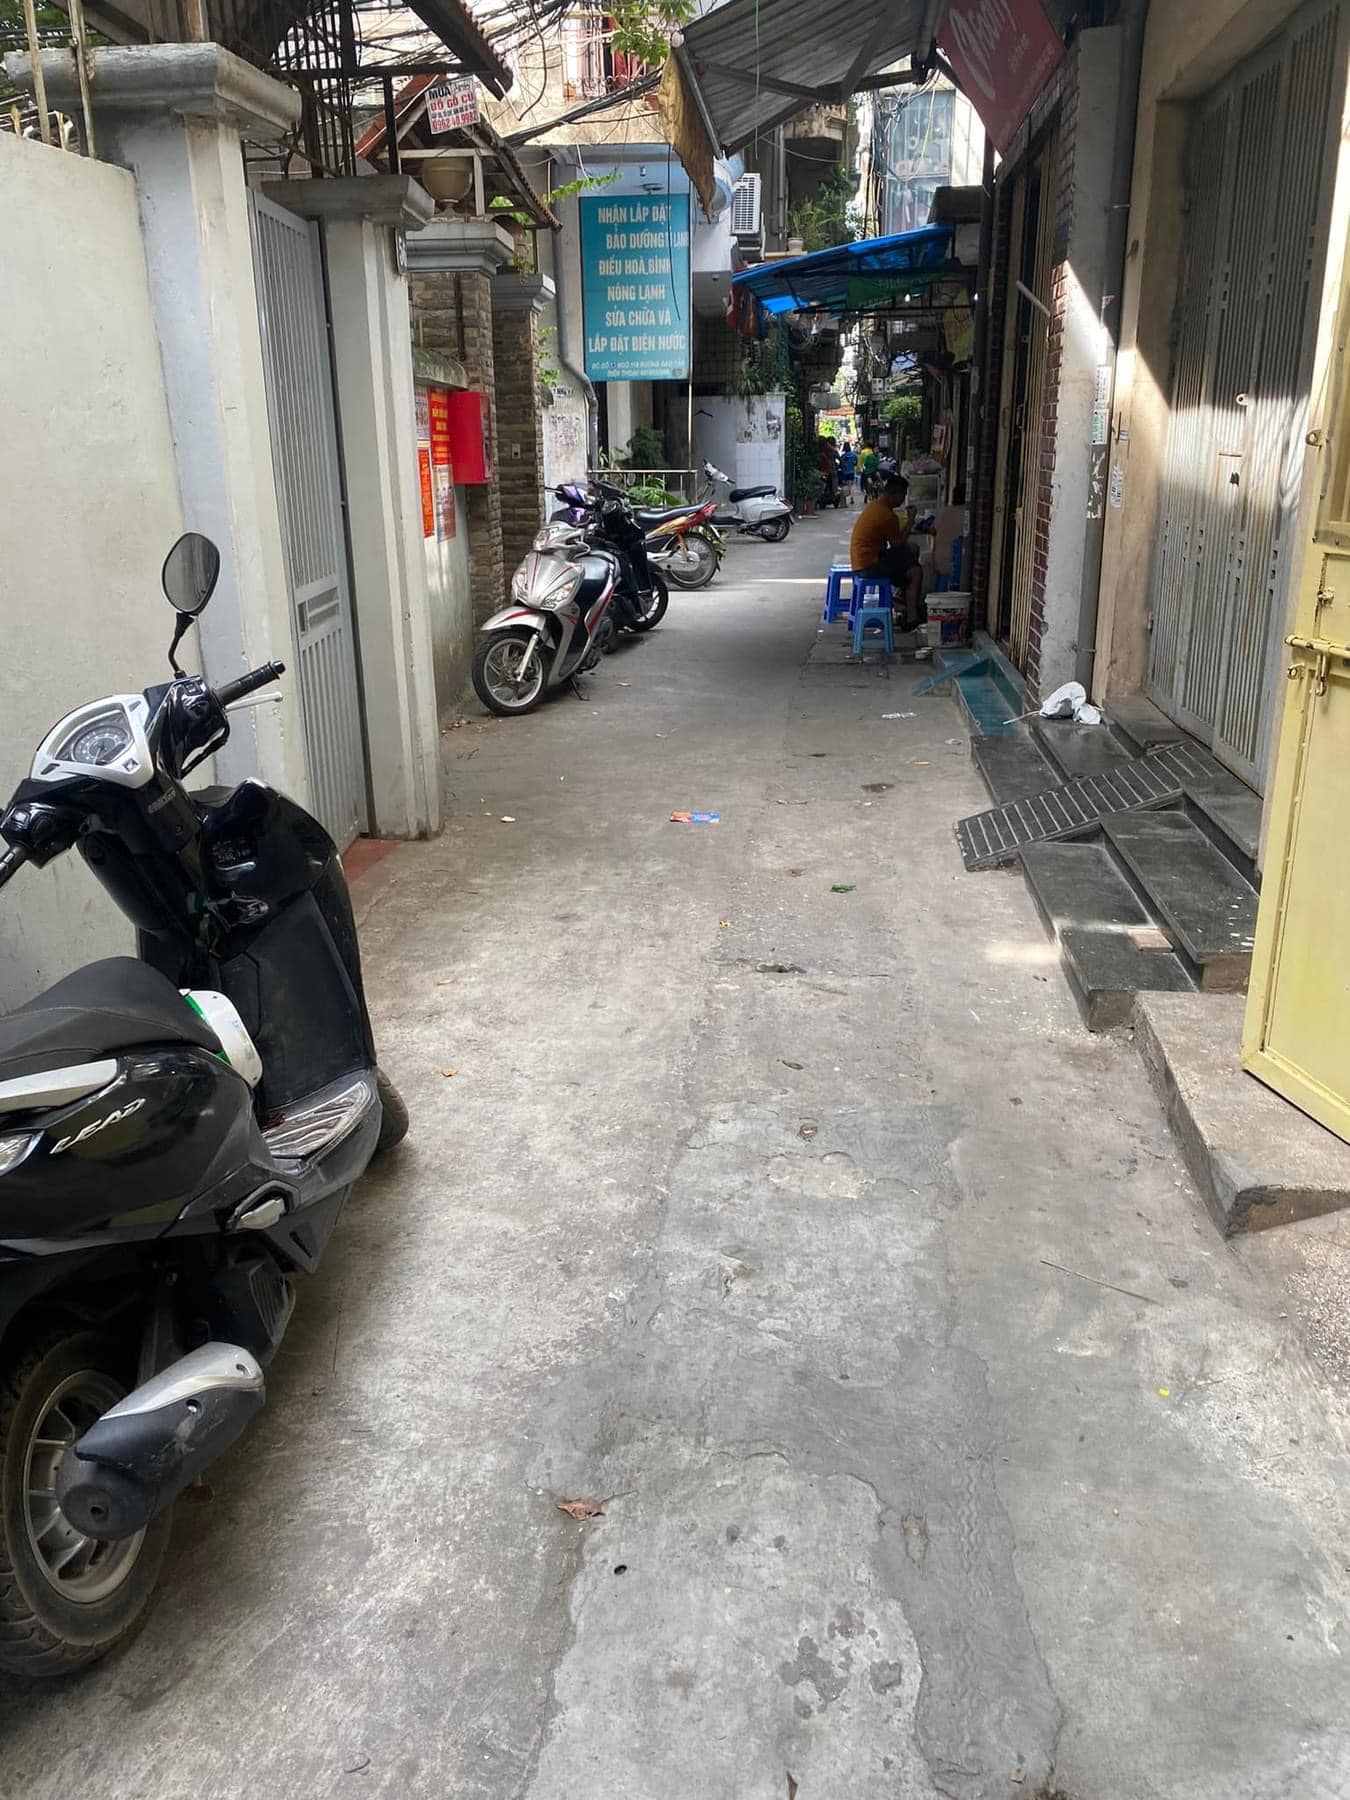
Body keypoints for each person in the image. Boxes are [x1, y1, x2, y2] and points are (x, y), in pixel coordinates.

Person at [849, 472, 924, 632]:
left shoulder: (875, 506)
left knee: (911, 551)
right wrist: (911, 520)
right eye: (903, 496)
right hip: (870, 565)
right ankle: (911, 616)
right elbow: (897, 543)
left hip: (862, 561)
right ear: (896, 495)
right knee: (915, 570)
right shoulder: (887, 515)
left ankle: (902, 598)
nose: (903, 500)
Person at [837, 439, 858, 505]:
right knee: (851, 485)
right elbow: (856, 463)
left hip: (844, 473)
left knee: (844, 486)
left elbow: (840, 464)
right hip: (851, 472)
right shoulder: (854, 455)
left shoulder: (843, 456)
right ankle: (852, 497)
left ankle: (844, 500)